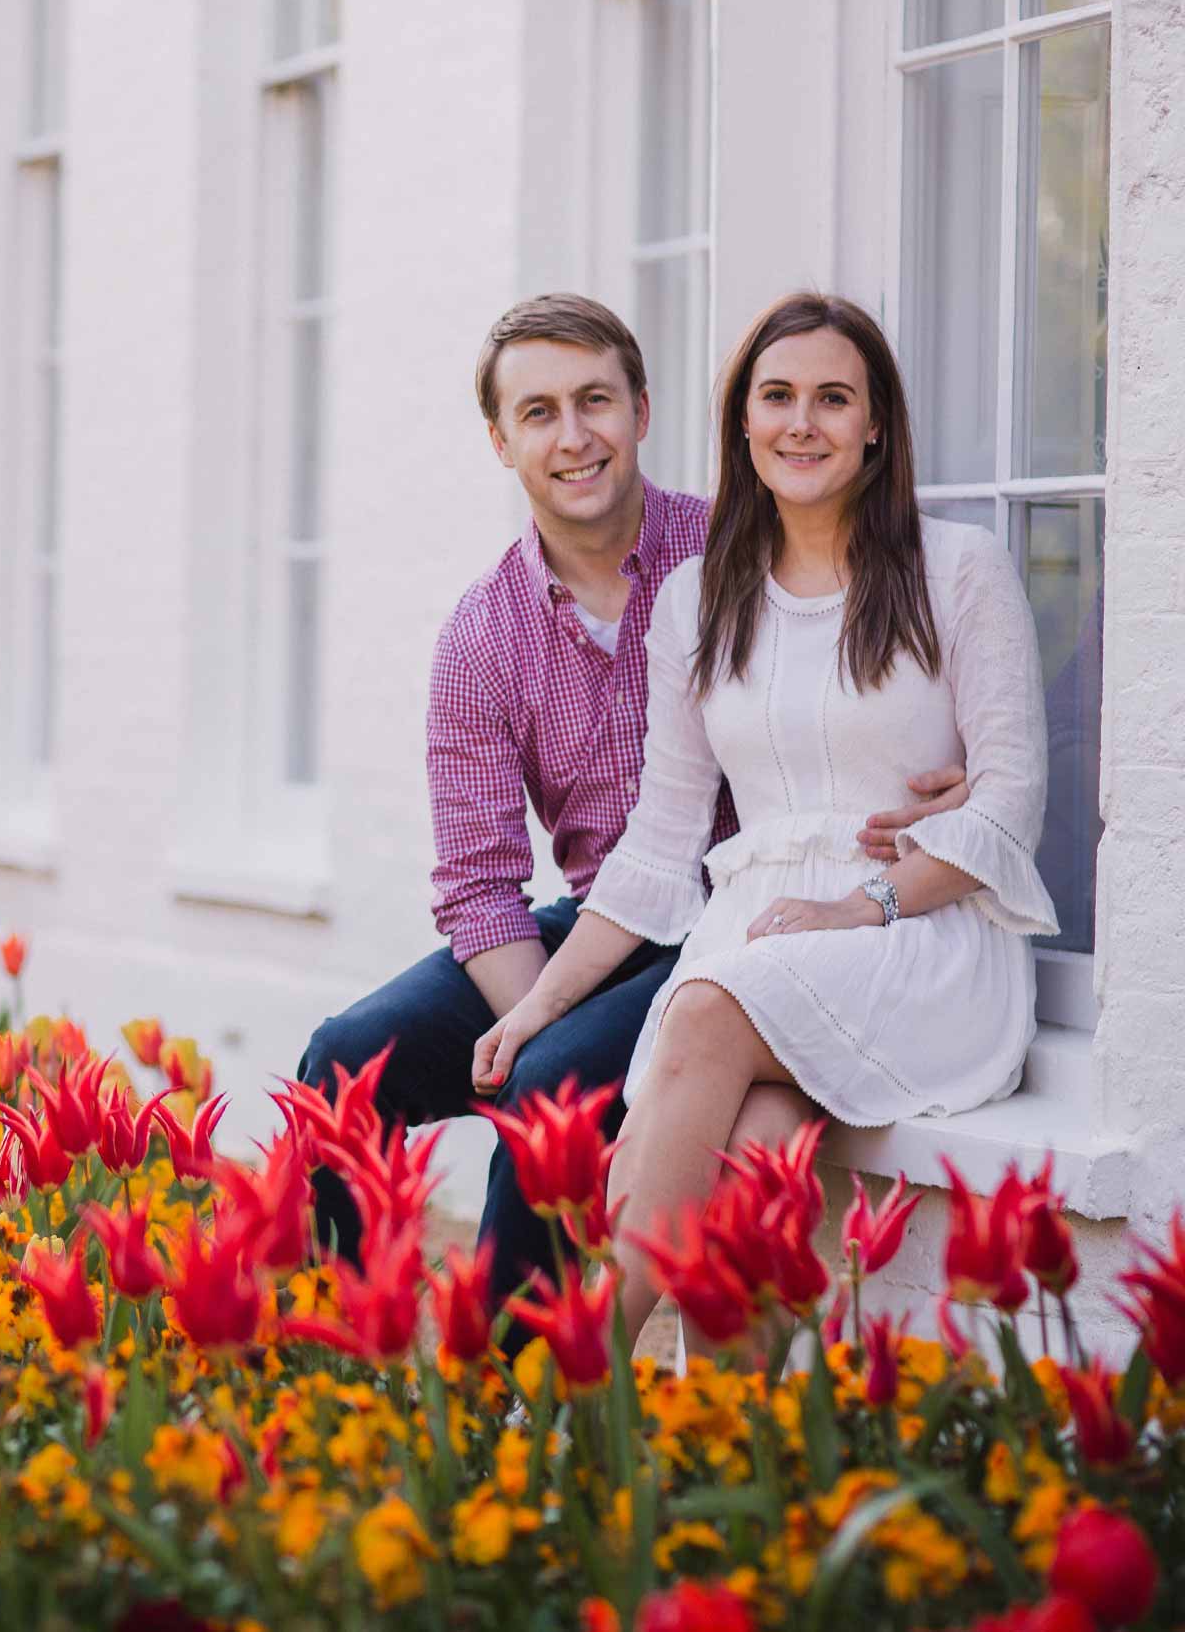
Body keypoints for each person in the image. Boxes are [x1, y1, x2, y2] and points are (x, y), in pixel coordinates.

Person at [296, 293, 967, 1312]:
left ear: (642, 411)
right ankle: (333, 1334)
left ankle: (518, 1388)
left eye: (595, 401)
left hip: (747, 925)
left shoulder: (743, 552)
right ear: (498, 440)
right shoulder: (482, 637)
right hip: (602, 924)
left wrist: (969, 782)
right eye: (537, 413)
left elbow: (881, 682)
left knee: (551, 1090)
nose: (573, 438)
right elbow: (478, 886)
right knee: (344, 1059)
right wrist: (533, 1013)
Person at [469, 292, 1056, 1347]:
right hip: (759, 938)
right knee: (752, 1168)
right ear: (741, 422)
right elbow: (658, 844)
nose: (802, 423)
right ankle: (736, 1461)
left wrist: (865, 902)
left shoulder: (958, 571)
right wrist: (535, 1008)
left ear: (875, 424)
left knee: (699, 1013)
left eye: (833, 399)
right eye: (776, 397)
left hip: (917, 940)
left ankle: (577, 1366)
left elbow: (1009, 802)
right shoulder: (699, 600)